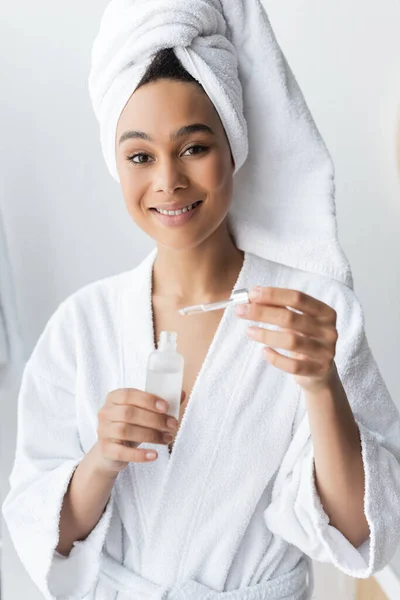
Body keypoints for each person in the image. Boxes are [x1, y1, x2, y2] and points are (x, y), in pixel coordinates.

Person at [3, 3, 400, 600]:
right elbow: (40, 533)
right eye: (140, 156)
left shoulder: (311, 312)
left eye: (193, 147)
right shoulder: (81, 327)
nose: (168, 180)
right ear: (119, 165)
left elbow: (364, 533)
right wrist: (100, 463)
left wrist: (322, 385)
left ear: (233, 145)